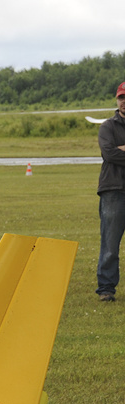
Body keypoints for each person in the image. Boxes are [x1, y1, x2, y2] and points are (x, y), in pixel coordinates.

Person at [96, 81, 125, 302]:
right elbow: (109, 154)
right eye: (121, 98)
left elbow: (117, 153)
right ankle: (106, 288)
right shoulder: (107, 127)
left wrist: (121, 148)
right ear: (117, 100)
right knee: (110, 244)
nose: (124, 102)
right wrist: (117, 150)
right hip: (113, 189)